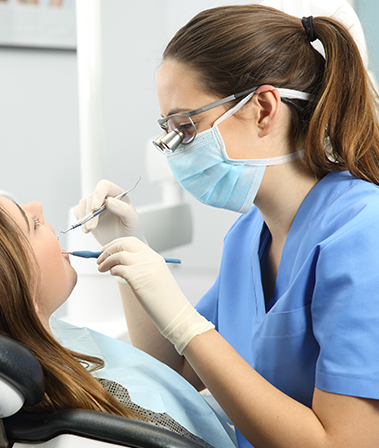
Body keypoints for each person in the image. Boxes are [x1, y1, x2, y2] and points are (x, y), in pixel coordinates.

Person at [74, 5, 379, 448]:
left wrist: (185, 320)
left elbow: (344, 443)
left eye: (186, 128)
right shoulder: (246, 237)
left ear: (263, 108)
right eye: (168, 131)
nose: (173, 151)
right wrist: (127, 250)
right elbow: (175, 369)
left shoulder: (363, 233)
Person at [0, 182, 236, 448]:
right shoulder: (120, 423)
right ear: (22, 303)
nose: (38, 206)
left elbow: (151, 373)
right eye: (31, 224)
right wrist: (185, 324)